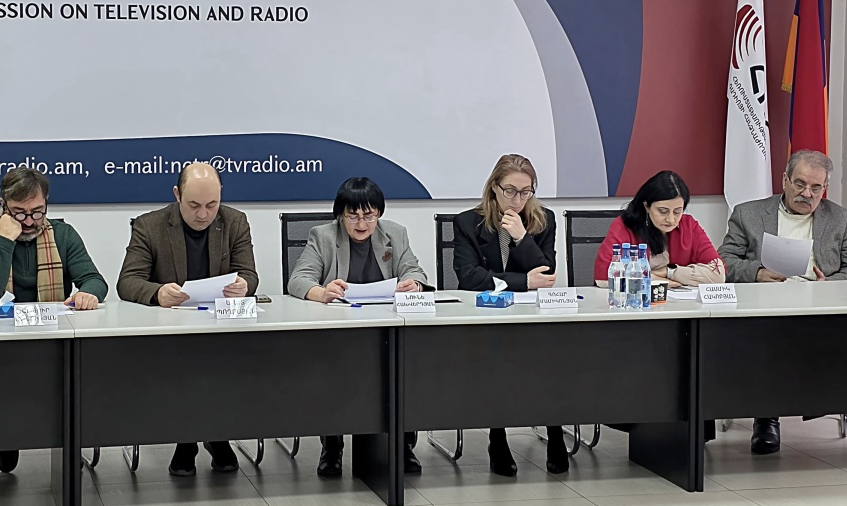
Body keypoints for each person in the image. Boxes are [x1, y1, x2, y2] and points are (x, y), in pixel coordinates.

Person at [717, 149, 847, 455]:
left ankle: (810, 399)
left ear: (825, 188)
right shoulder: (748, 214)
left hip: (818, 307)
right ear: (785, 180)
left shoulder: (839, 218)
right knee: (770, 338)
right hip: (764, 306)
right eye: (800, 184)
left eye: (816, 188)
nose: (807, 194)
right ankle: (766, 418)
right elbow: (723, 262)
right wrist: (757, 272)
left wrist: (828, 286)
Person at [117, 162, 259, 476]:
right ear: (177, 194)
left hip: (221, 331)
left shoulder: (235, 222)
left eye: (212, 205)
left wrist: (244, 286)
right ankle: (189, 440)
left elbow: (249, 274)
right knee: (192, 362)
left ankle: (214, 434)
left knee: (225, 361)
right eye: (194, 205)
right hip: (171, 335)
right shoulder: (149, 226)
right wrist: (157, 293)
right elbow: (127, 282)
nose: (203, 214)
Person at [0, 167, 109, 473]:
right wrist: (5, 240)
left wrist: (88, 293)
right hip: (3, 342)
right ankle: (6, 434)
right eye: (19, 213)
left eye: (37, 212)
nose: (30, 221)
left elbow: (95, 280)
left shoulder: (63, 234)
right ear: (3, 206)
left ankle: (67, 436)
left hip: (53, 337)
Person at [288, 177, 428, 478]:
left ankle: (402, 444)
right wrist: (321, 292)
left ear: (379, 213)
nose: (362, 223)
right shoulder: (323, 236)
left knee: (407, 366)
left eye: (369, 215)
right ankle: (332, 445)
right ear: (341, 215)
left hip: (385, 332)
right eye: (353, 216)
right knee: (332, 371)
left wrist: (413, 284)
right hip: (339, 335)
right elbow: (298, 280)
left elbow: (415, 271)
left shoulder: (395, 234)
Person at [451, 154, 568, 476]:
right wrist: (522, 282)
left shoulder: (543, 219)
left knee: (552, 361)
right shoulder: (467, 223)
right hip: (486, 318)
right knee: (497, 362)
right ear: (494, 188)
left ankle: (556, 432)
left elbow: (546, 273)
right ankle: (497, 437)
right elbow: (469, 278)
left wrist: (521, 237)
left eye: (526, 192)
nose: (518, 200)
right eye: (510, 191)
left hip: (533, 317)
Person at [593, 170, 725, 288]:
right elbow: (603, 277)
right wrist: (654, 279)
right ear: (647, 206)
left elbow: (718, 274)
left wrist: (670, 272)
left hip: (678, 304)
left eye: (677, 211)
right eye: (663, 211)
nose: (671, 219)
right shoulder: (624, 226)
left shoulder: (689, 226)